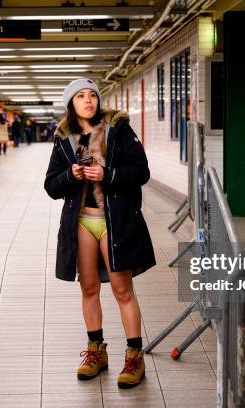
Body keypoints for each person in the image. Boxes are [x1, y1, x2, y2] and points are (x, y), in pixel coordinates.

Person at [44, 78, 156, 389]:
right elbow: (51, 185)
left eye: (91, 94)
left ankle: (135, 356)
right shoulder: (64, 138)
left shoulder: (118, 130)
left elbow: (141, 171)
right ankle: (96, 352)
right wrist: (71, 175)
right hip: (81, 221)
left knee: (123, 290)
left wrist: (108, 175)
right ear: (72, 104)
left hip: (114, 220)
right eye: (80, 96)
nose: (88, 100)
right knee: (89, 288)